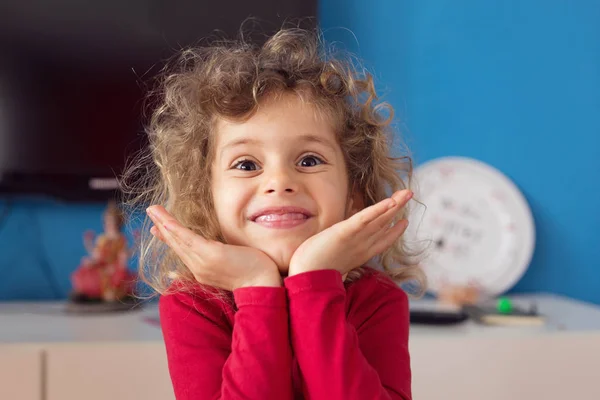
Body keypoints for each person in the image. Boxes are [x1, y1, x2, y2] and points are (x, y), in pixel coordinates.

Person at [130, 27, 425, 399]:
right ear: (208, 199)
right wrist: (255, 288)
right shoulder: (193, 304)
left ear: (354, 194)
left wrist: (315, 282)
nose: (280, 182)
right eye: (246, 164)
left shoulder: (376, 299)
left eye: (309, 159)